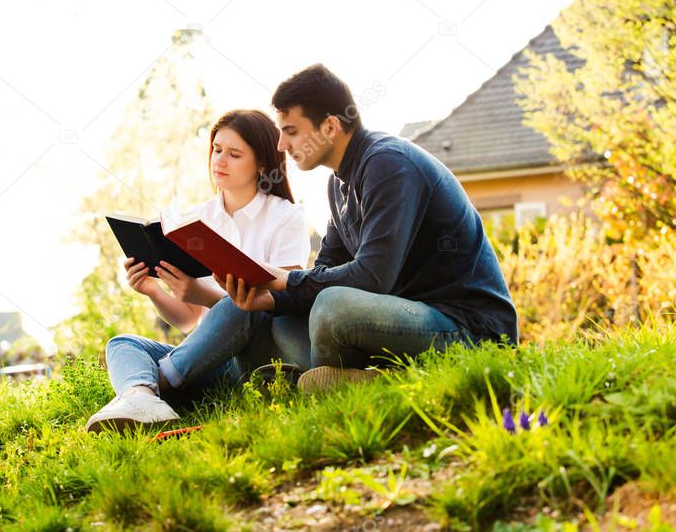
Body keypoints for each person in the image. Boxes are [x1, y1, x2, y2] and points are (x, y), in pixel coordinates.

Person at [216, 64, 519, 393]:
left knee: (334, 307)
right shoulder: (338, 185)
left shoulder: (389, 164)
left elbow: (373, 277)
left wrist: (285, 278)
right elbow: (324, 274)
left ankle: (361, 384)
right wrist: (272, 300)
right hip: (407, 322)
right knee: (280, 323)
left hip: (469, 328)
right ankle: (341, 382)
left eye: (290, 131)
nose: (280, 146)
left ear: (330, 127)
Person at [86, 109, 311, 433]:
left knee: (244, 304)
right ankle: (142, 395)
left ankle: (154, 386)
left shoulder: (287, 217)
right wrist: (153, 290)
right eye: (217, 150)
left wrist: (201, 293)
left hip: (255, 355)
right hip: (205, 357)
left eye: (234, 154)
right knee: (122, 344)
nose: (220, 161)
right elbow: (188, 319)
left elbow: (284, 297)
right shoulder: (194, 220)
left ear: (262, 163)